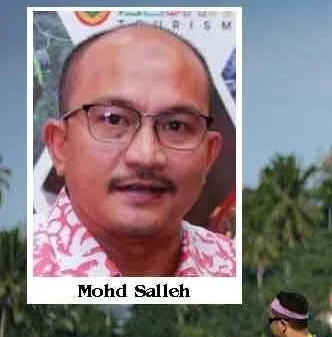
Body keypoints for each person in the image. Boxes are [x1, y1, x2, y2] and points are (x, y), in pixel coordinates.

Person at [33, 23, 236, 277]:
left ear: (209, 156)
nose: (146, 156)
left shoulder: (232, 267)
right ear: (59, 146)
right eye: (113, 120)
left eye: (175, 125)